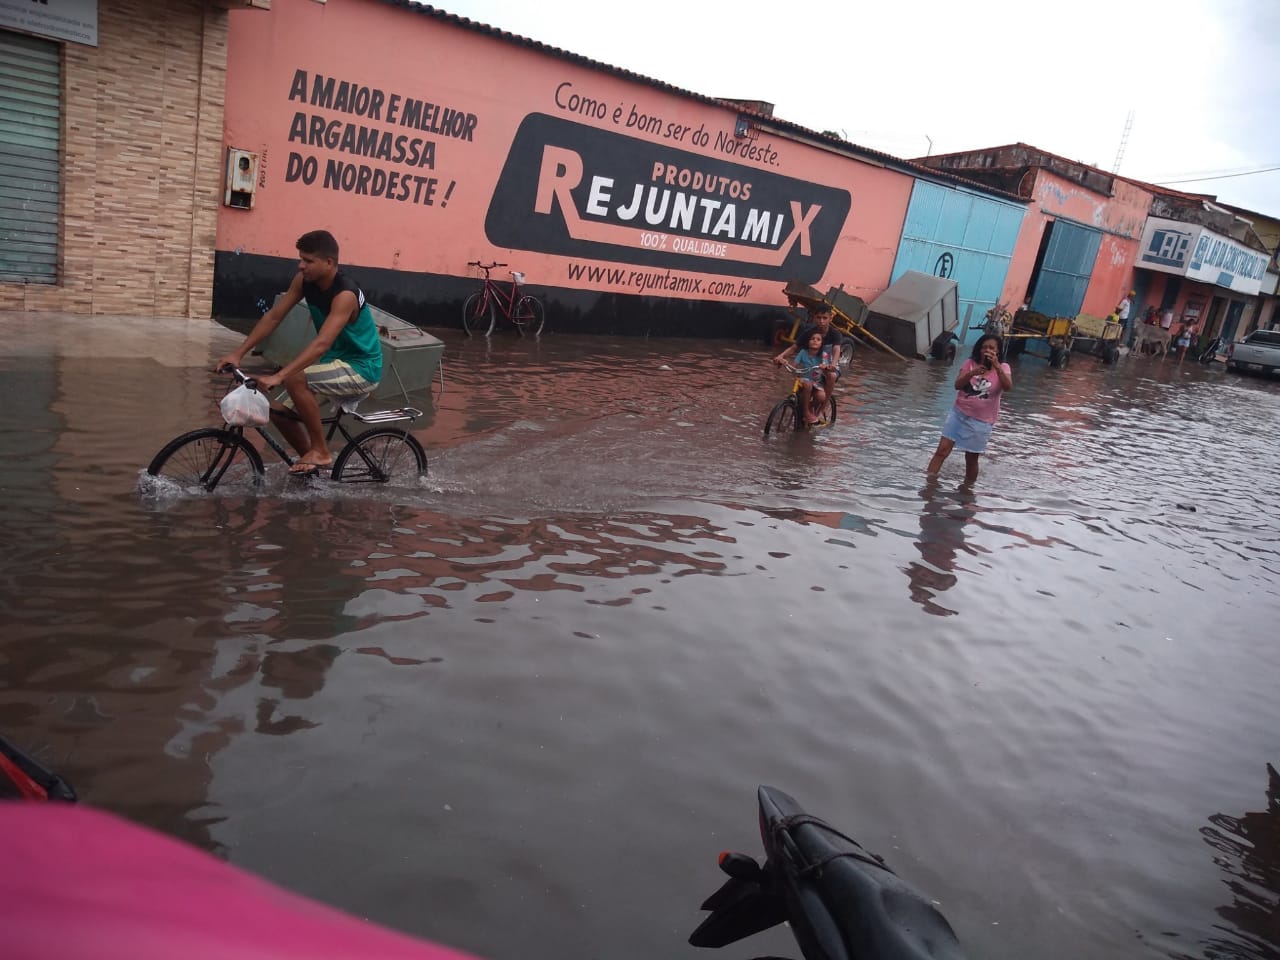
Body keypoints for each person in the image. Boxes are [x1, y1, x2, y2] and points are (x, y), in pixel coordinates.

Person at [215, 230, 383, 476]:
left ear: (329, 262)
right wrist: (238, 353)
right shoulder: (304, 282)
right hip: (333, 364)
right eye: (300, 258)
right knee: (279, 413)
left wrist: (279, 375)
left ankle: (321, 451)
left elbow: (321, 344)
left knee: (295, 378)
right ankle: (312, 466)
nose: (300, 265)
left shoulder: (344, 294)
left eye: (308, 260)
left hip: (361, 369)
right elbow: (274, 317)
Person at [926, 334, 1013, 485]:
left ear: (998, 351)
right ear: (979, 349)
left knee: (971, 459)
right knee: (942, 451)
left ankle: (967, 490)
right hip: (958, 414)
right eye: (984, 347)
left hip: (981, 421)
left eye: (992, 348)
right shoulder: (970, 363)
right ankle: (928, 484)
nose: (987, 350)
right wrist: (972, 373)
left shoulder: (1004, 367)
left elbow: (1007, 387)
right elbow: (957, 385)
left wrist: (997, 367)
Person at [774, 304, 843, 407]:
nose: (821, 321)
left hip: (829, 366)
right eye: (819, 318)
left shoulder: (835, 334)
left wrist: (832, 365)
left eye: (825, 318)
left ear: (830, 318)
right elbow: (794, 348)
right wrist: (780, 356)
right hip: (813, 367)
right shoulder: (808, 333)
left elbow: (836, 349)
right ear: (814, 318)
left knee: (831, 376)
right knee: (802, 392)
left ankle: (823, 407)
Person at [792, 328, 834, 423]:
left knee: (822, 397)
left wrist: (825, 366)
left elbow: (827, 366)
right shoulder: (803, 352)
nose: (815, 340)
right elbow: (793, 365)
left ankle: (809, 408)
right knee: (807, 384)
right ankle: (806, 411)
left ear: (821, 343)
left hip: (816, 383)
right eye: (812, 339)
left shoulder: (823, 355)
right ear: (808, 342)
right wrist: (785, 362)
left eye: (818, 339)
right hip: (803, 380)